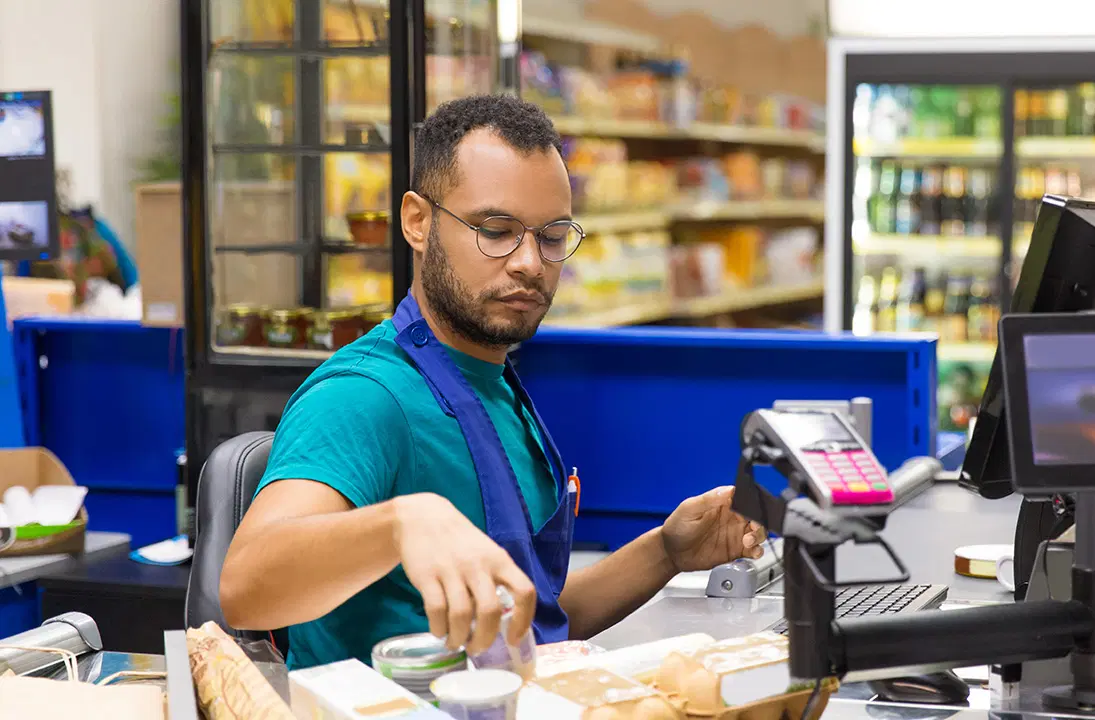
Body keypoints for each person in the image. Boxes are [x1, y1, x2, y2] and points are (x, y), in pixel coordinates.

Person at [218, 94, 766, 670]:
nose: (530, 261)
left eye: (551, 236)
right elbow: (246, 584)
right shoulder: (366, 397)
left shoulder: (494, 384)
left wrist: (666, 551)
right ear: (418, 222)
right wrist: (400, 524)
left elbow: (534, 621)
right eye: (496, 229)